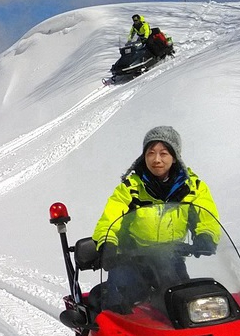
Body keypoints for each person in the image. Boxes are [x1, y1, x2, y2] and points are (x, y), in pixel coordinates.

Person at [76, 126, 220, 311]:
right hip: (131, 259)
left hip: (171, 258)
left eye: (164, 153)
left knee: (186, 308)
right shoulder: (130, 187)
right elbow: (109, 218)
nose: (156, 159)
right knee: (118, 308)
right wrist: (107, 242)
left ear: (175, 156)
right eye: (150, 153)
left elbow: (207, 217)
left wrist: (206, 235)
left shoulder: (193, 187)